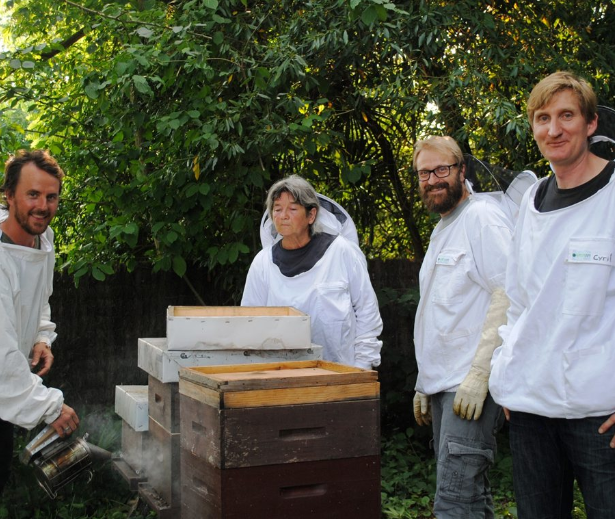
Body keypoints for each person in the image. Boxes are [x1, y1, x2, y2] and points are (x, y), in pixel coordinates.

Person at [489, 71, 615, 518]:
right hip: (530, 408)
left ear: (591, 123)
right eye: (543, 118)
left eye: (566, 116)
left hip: (601, 414)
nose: (554, 129)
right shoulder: (532, 201)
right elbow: (519, 300)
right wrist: (506, 372)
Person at [412, 136, 512, 518]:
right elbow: (439, 315)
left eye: (442, 169)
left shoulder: (482, 218)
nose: (433, 179)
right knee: (471, 499)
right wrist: (424, 381)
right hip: (445, 388)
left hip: (467, 386)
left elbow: (509, 292)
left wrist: (480, 374)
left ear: (461, 171)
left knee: (454, 504)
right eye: (425, 172)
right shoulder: (443, 227)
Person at [241, 174, 382, 370]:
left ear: (311, 215)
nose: (283, 216)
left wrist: (362, 367)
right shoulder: (263, 263)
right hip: (280, 376)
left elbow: (367, 312)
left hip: (342, 374)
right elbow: (250, 320)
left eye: (292, 209)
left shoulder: (342, 252)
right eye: (278, 209)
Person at [0, 150, 79, 495]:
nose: (42, 206)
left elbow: (39, 299)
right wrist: (51, 407)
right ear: (9, 196)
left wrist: (41, 338)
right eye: (33, 194)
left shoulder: (43, 241)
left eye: (51, 197)